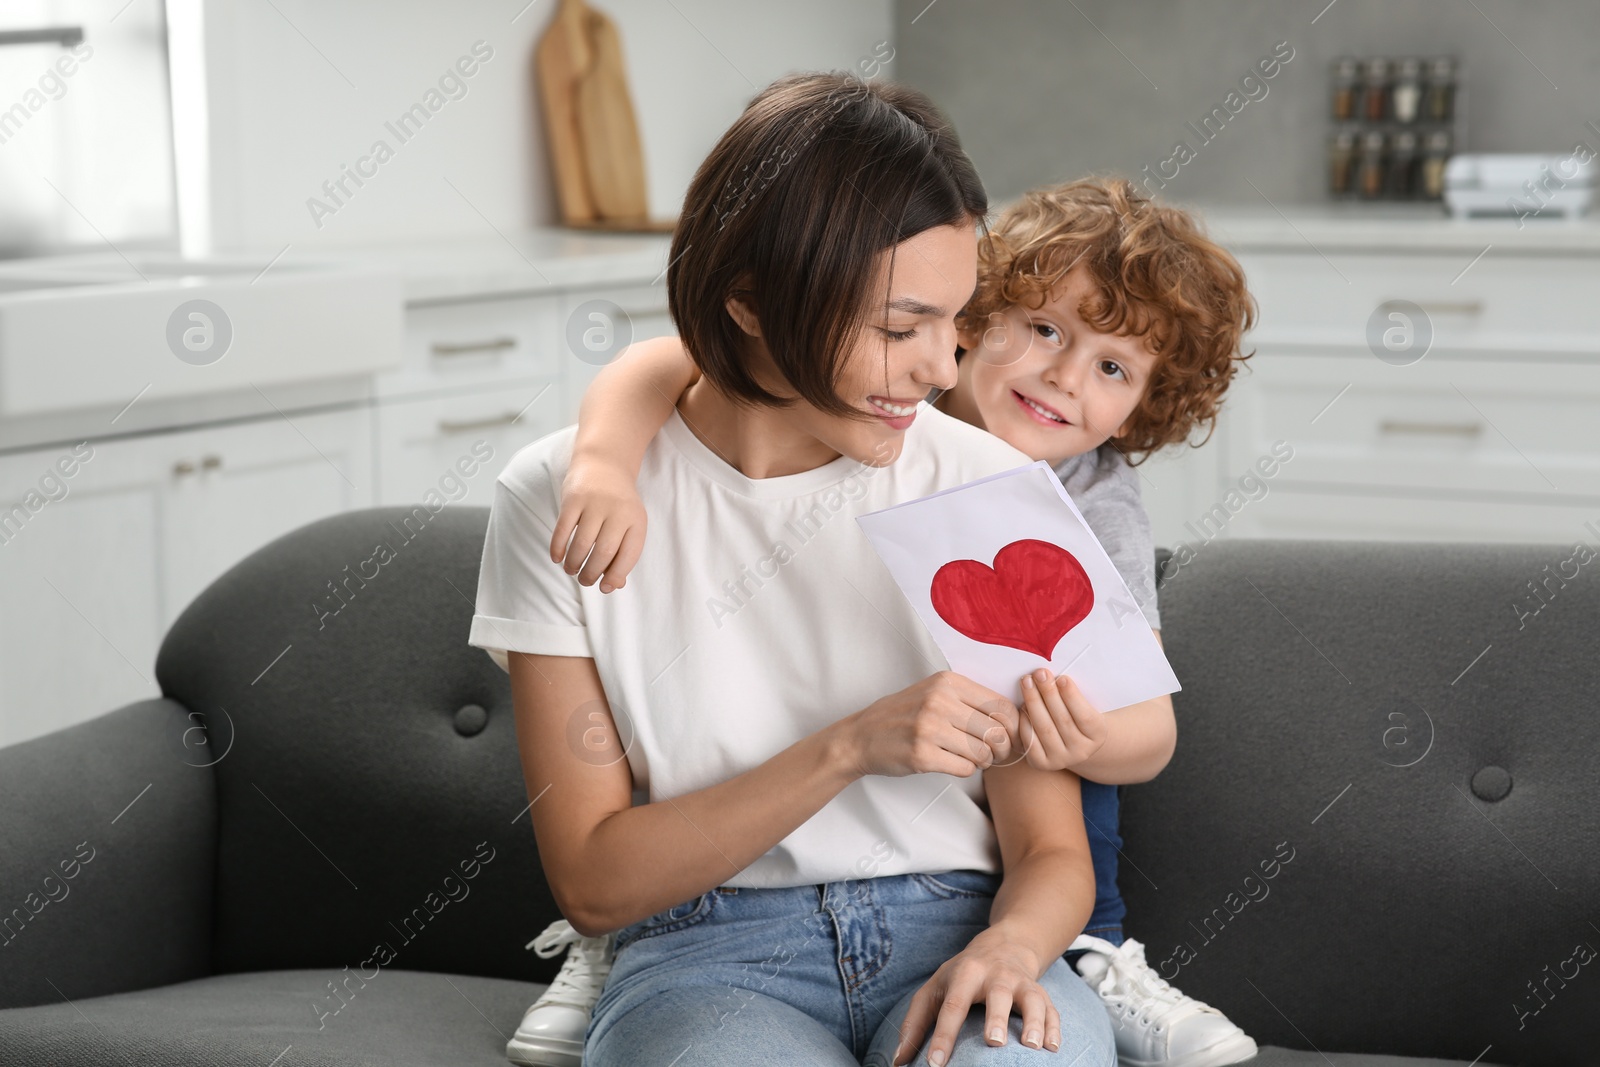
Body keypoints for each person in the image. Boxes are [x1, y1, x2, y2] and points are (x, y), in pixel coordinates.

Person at [511, 178, 1260, 1067]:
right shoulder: (888, 425)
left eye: (1112, 368)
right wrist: (601, 460)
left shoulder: (1023, 496)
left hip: (968, 901)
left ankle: (1094, 951)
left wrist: (1066, 749)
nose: (1061, 376)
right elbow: (670, 359)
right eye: (1045, 331)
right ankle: (612, 957)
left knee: (1069, 768)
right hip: (711, 935)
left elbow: (1124, 752)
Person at [471, 72, 1117, 1067]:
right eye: (900, 329)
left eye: (952, 322)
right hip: (701, 951)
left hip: (959, 927)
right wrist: (851, 744)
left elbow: (1051, 848)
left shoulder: (986, 489)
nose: (942, 370)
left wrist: (1015, 944)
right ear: (751, 303)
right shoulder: (560, 496)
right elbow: (595, 880)